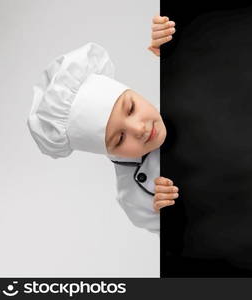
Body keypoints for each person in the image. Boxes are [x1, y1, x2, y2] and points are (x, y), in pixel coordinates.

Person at [27, 15, 177, 234]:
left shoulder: (178, 91)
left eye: (131, 108)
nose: (140, 129)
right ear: (106, 150)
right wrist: (169, 211)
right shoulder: (134, 196)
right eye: (120, 138)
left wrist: (179, 50)